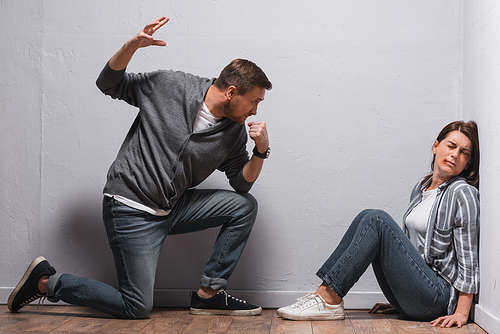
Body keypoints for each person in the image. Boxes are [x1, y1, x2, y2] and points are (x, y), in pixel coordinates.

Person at [8, 16, 272, 319]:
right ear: (232, 92)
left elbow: (241, 183)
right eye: (254, 101)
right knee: (136, 306)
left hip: (171, 207)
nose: (255, 110)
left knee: (243, 205)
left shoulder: (233, 132)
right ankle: (45, 282)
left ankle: (209, 294)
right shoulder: (171, 85)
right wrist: (131, 46)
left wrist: (261, 151)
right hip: (130, 208)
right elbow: (108, 83)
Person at [277, 120, 479, 329]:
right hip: (419, 292)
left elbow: (469, 258)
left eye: (464, 152)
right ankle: (321, 294)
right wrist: (401, 297)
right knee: (366, 216)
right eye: (451, 146)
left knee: (376, 219)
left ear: (468, 163)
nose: (455, 154)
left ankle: (328, 300)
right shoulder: (420, 189)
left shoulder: (462, 193)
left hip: (438, 298)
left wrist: (462, 312)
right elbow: (409, 251)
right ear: (436, 147)